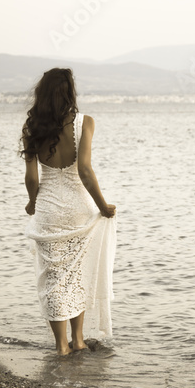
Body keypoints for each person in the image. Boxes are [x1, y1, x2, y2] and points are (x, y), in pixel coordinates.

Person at [20, 68, 117, 356]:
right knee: (77, 275)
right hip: (79, 210)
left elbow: (32, 177)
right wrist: (103, 206)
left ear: (42, 93)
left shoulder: (32, 127)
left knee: (53, 279)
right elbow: (85, 170)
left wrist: (32, 201)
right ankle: (79, 341)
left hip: (49, 210)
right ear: (70, 92)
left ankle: (61, 347)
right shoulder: (85, 122)